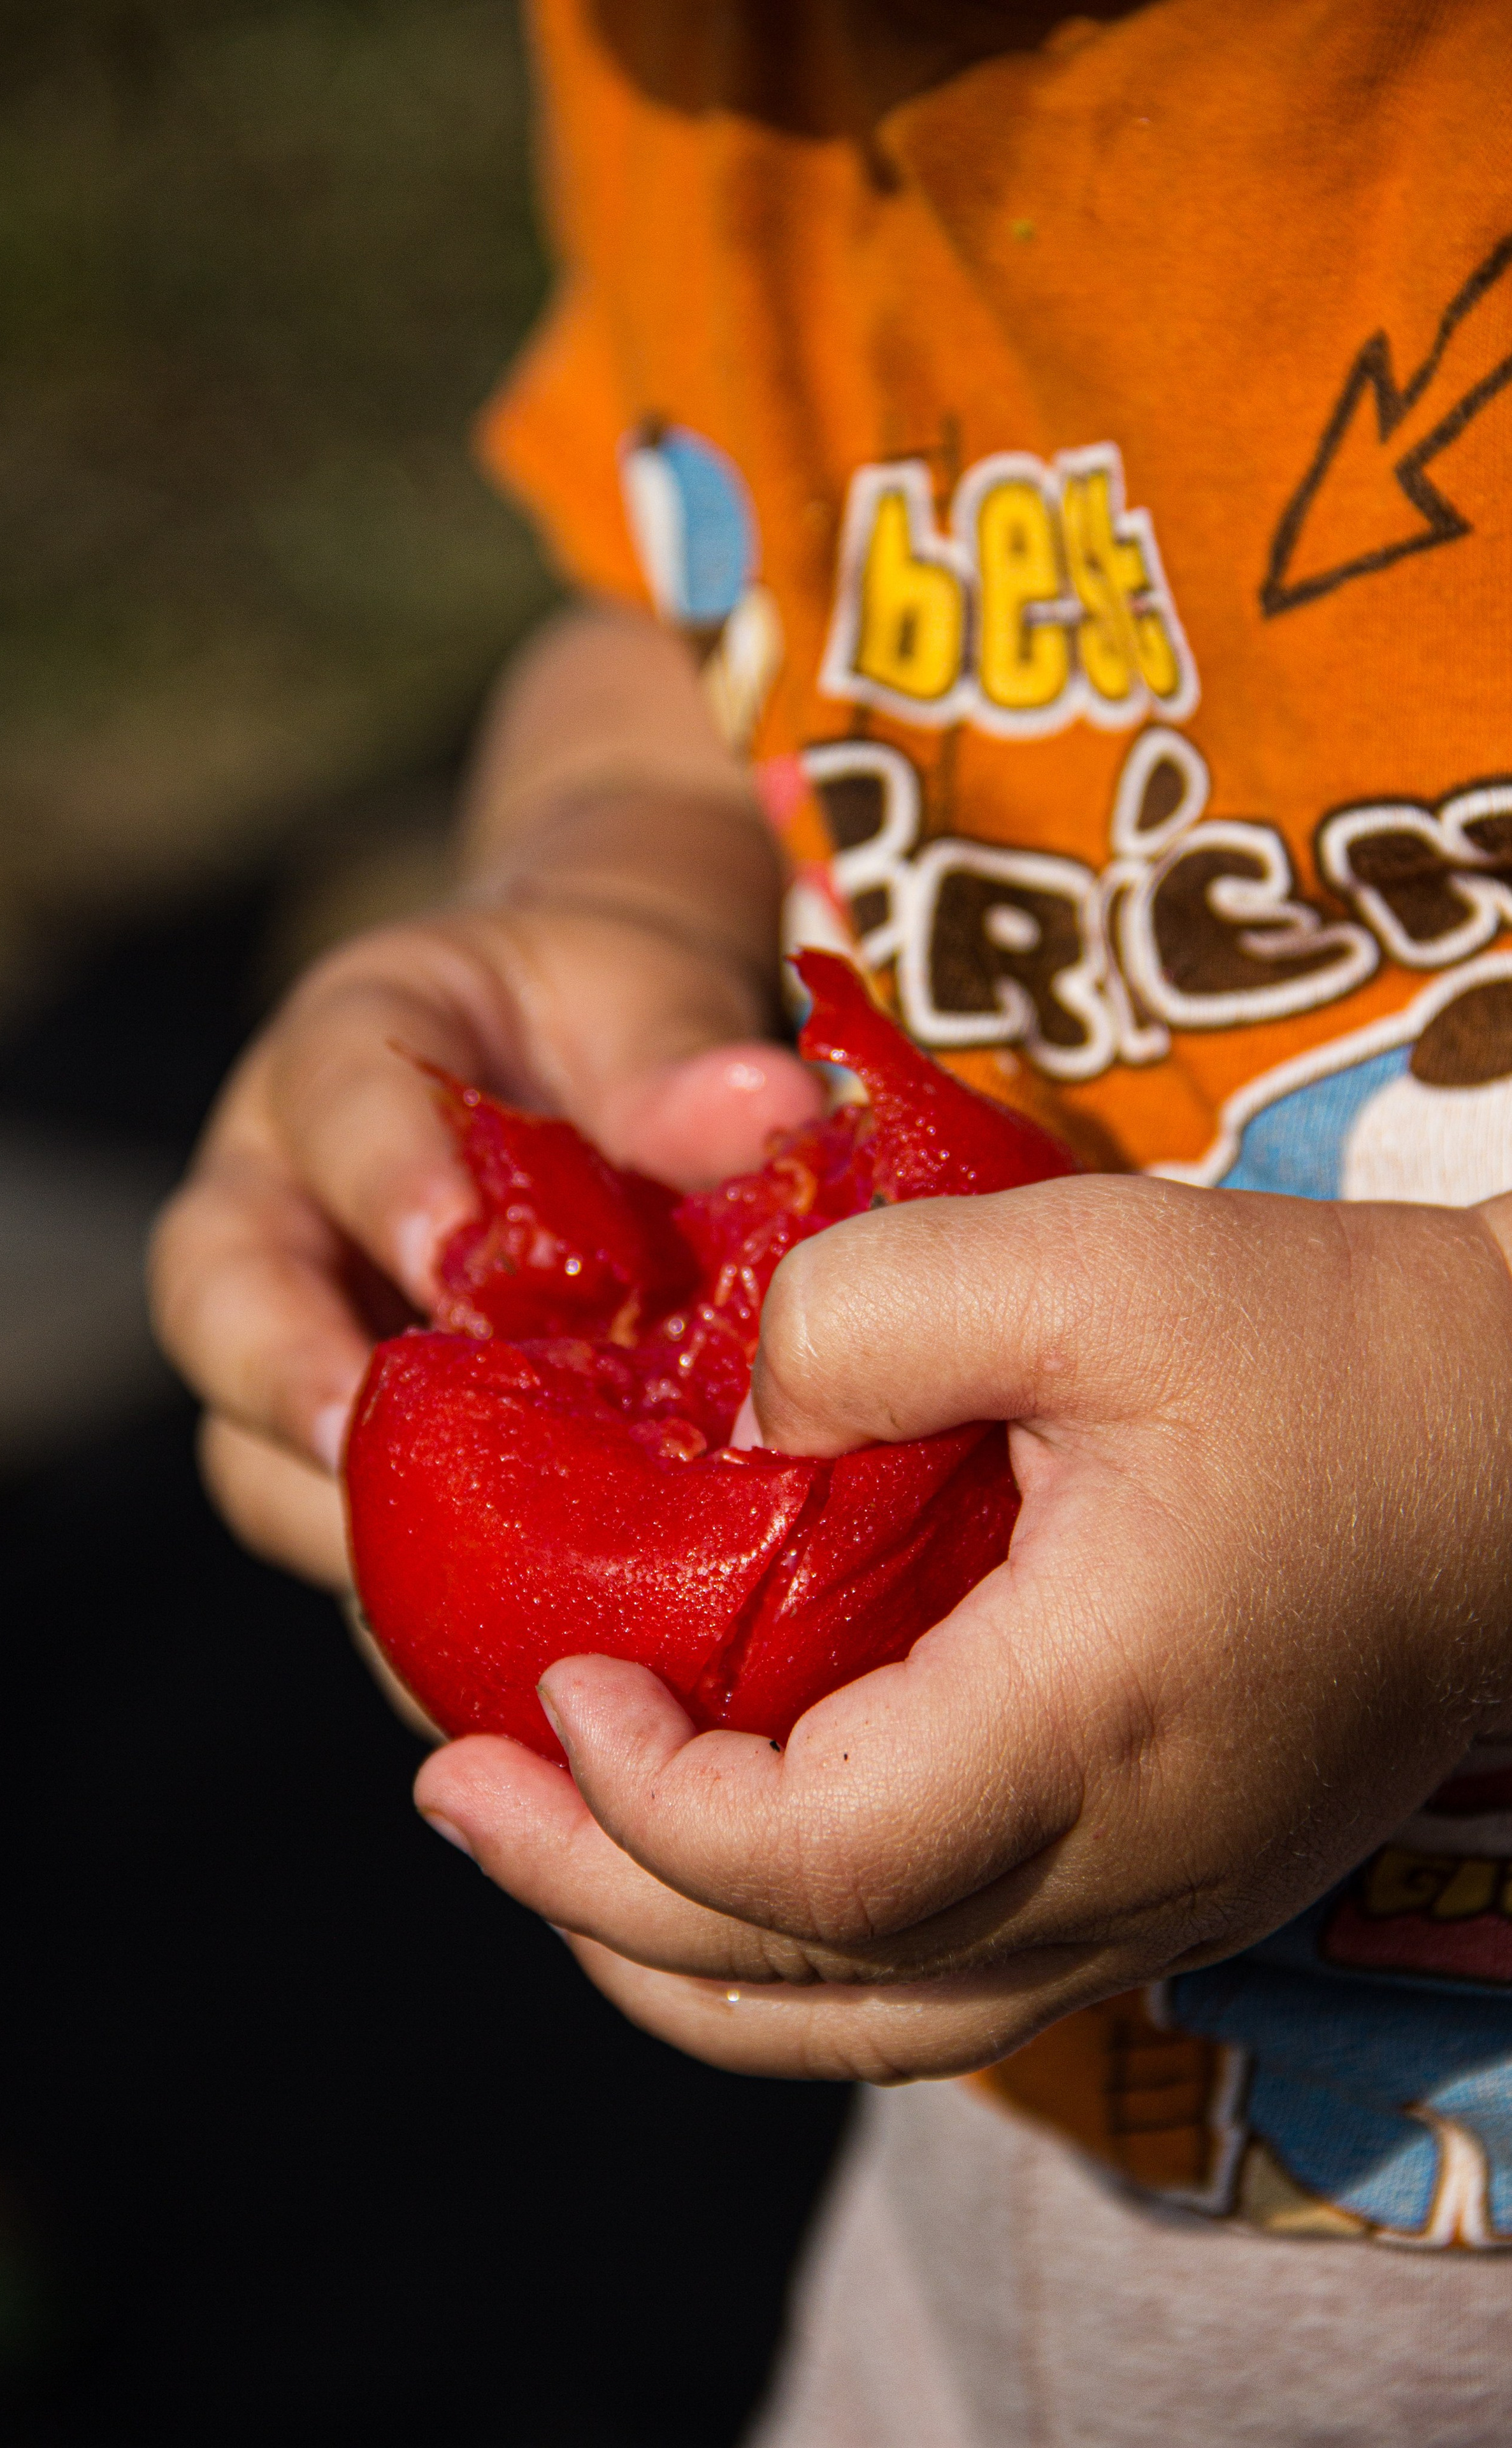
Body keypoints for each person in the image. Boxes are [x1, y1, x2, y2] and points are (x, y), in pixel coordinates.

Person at [150, 3, 1512, 2438]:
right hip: (1010, 2288)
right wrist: (607, 864)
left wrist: (1464, 1433)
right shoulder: (713, 68)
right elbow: (703, 623)